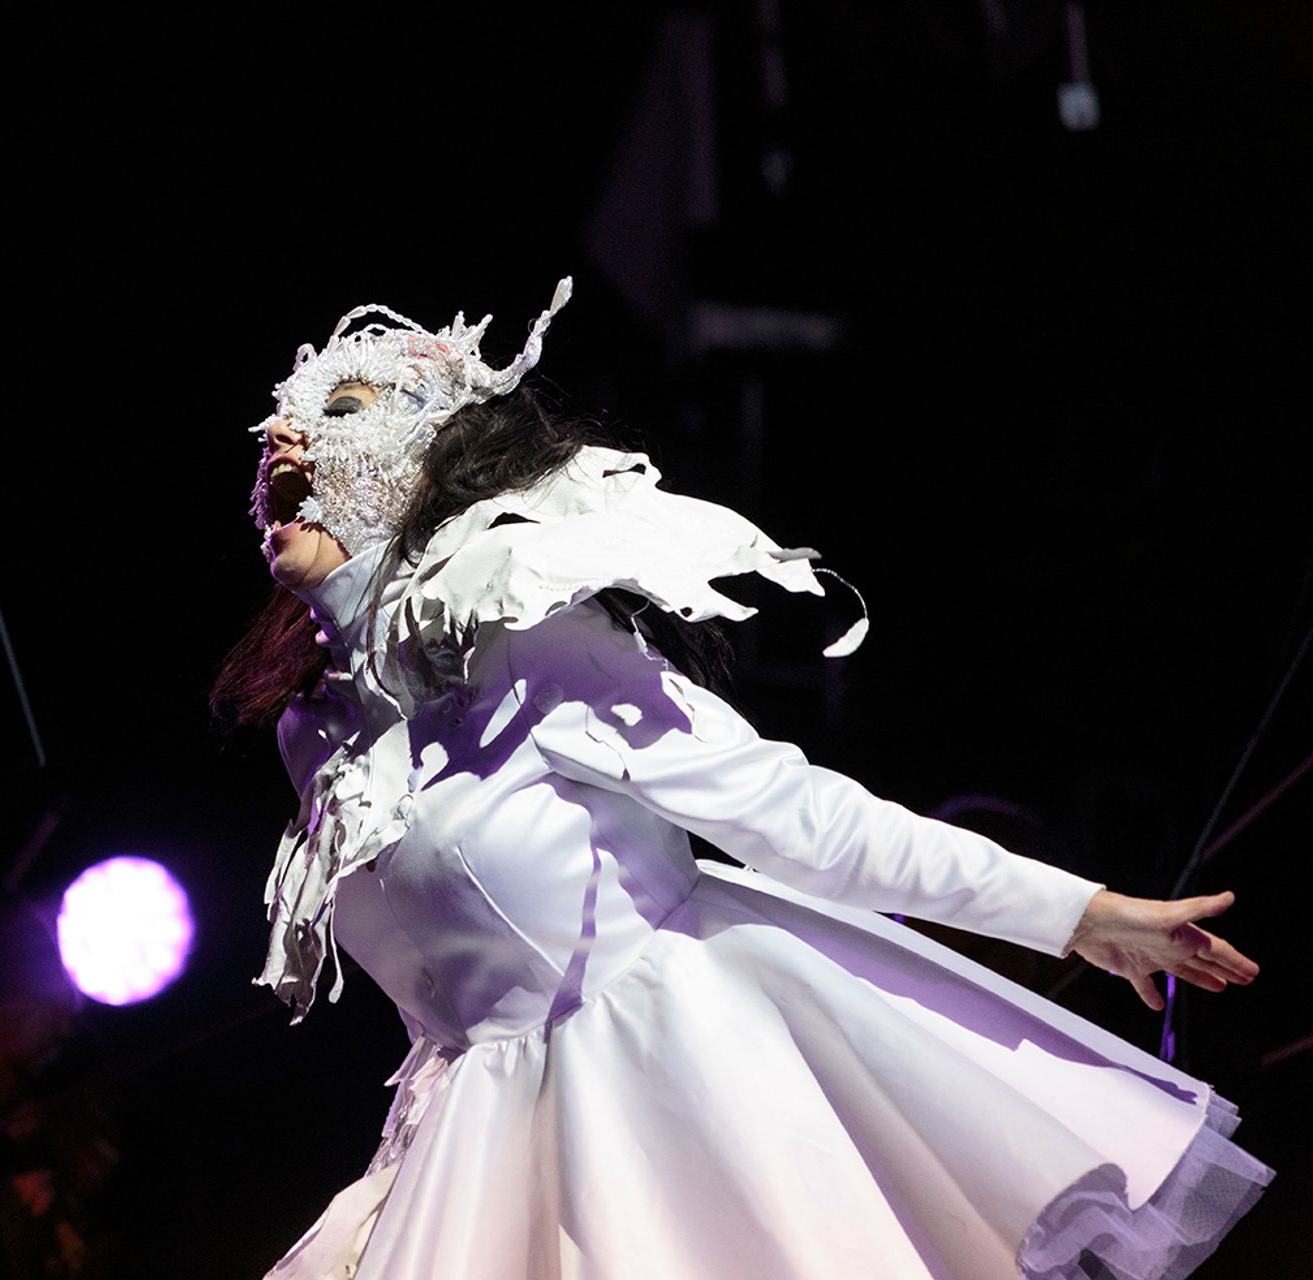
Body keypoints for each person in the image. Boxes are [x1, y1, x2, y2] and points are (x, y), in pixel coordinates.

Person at [210, 278, 1272, 1279]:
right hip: (485, 1147)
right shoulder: (315, 730)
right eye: (276, 424)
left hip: (691, 1092)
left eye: (340, 406)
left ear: (427, 456)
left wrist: (1080, 914)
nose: (284, 434)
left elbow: (799, 816)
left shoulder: (531, 640)